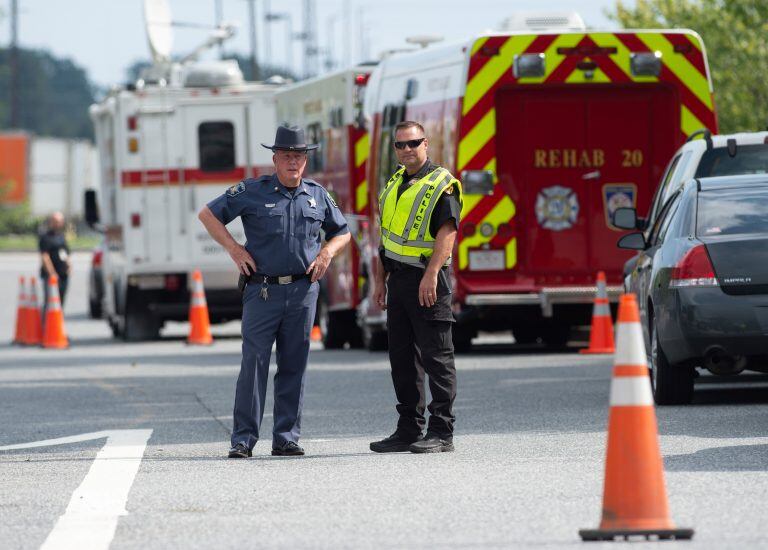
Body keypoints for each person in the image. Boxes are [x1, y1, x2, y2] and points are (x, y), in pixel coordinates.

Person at [198, 125, 350, 458]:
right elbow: (208, 214)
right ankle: (243, 439)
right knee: (254, 363)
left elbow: (343, 232)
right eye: (286, 156)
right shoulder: (254, 191)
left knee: (294, 364)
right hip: (262, 291)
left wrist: (326, 253)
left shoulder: (317, 194)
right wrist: (235, 250)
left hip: (302, 291)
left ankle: (286, 437)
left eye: (298, 156)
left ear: (306, 160)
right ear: (275, 159)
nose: (293, 162)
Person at [369, 121, 463, 454]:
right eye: (400, 145)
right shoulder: (395, 182)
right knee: (403, 360)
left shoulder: (442, 184)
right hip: (398, 281)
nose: (407, 150)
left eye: (414, 143)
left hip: (427, 280)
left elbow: (447, 233)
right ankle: (408, 428)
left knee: (437, 357)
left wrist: (432, 273)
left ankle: (442, 431)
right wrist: (380, 280)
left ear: (426, 144)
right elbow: (386, 238)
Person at [39, 211, 71, 312]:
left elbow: (65, 252)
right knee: (50, 302)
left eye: (60, 221)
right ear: (51, 222)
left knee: (60, 302)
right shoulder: (46, 237)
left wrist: (69, 266)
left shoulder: (61, 236)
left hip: (63, 274)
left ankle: (57, 325)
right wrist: (52, 273)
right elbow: (45, 257)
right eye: (56, 221)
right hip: (51, 276)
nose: (58, 223)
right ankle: (46, 325)